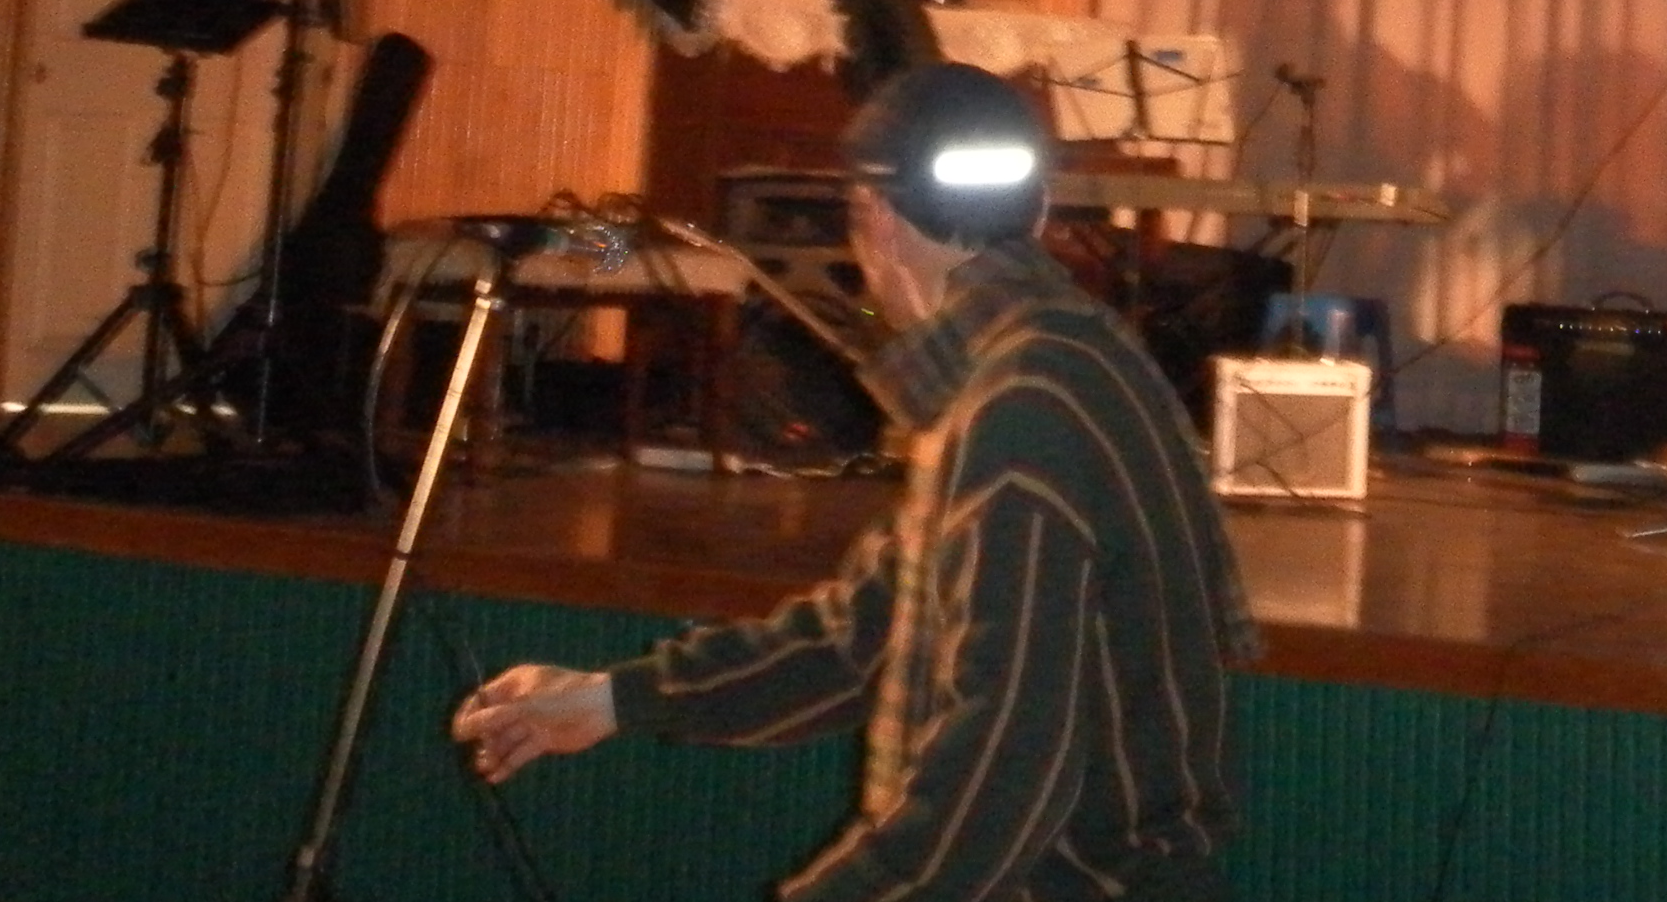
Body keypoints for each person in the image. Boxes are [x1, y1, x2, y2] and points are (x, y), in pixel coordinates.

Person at [452, 61, 1255, 902]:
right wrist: (608, 701)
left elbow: (1000, 772)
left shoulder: (1020, 408)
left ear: (871, 216)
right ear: (1041, 209)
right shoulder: (1046, 363)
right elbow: (857, 640)